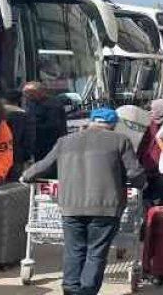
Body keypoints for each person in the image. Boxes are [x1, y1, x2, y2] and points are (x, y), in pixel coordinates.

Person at [21, 108, 146, 295]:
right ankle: (87, 291)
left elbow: (44, 166)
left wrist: (26, 176)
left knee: (74, 250)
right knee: (96, 252)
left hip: (71, 205)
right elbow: (135, 173)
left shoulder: (65, 141)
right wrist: (141, 184)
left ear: (90, 121)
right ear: (112, 124)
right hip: (106, 206)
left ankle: (70, 289)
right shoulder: (120, 140)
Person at [23, 82, 67, 160]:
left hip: (51, 144)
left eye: (31, 95)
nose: (28, 97)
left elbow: (54, 125)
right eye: (26, 95)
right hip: (38, 145)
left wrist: (32, 127)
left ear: (39, 92)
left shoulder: (53, 104)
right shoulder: (32, 103)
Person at [1, 90, 35, 181]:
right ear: (19, 101)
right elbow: (29, 139)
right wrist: (27, 155)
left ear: (4, 100)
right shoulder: (25, 116)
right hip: (17, 156)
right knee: (13, 184)